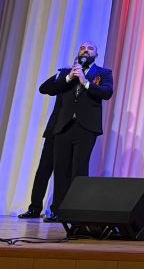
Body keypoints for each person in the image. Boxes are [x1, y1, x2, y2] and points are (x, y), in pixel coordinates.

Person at [40, 41, 114, 222]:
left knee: (79, 169)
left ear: (96, 55)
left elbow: (107, 93)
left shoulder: (103, 73)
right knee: (61, 169)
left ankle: (76, 211)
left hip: (86, 127)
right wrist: (68, 77)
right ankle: (57, 210)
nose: (86, 50)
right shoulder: (67, 72)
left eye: (90, 48)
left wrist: (85, 82)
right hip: (64, 127)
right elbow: (46, 89)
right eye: (83, 48)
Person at [17, 74, 66, 220]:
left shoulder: (84, 81)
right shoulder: (64, 78)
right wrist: (60, 74)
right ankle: (34, 208)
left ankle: (57, 210)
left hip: (67, 132)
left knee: (61, 173)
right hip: (53, 131)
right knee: (43, 171)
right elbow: (44, 88)